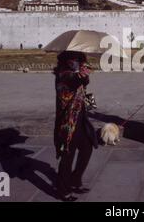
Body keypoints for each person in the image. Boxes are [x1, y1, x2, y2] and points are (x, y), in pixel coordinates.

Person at [54, 51, 98, 201]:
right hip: (68, 122)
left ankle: (75, 179)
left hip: (81, 118)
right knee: (68, 154)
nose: (76, 61)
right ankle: (63, 189)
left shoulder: (76, 73)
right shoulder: (63, 74)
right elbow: (72, 83)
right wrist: (81, 76)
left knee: (87, 147)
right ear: (66, 60)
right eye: (73, 59)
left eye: (78, 59)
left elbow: (83, 86)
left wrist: (84, 76)